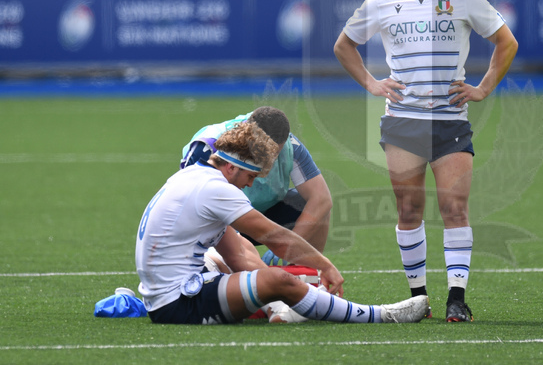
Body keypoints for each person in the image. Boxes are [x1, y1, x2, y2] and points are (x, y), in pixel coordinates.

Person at [333, 0, 518, 322]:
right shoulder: (381, 0)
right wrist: (371, 83)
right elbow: (344, 45)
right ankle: (419, 298)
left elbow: (507, 42)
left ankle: (457, 298)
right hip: (402, 122)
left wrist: (483, 88)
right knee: (409, 210)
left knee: (455, 209)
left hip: (452, 120)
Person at [136, 119, 429, 325]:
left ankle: (277, 307)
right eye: (250, 177)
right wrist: (323, 266)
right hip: (178, 303)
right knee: (279, 279)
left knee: (249, 255)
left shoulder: (196, 175)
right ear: (231, 166)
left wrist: (271, 299)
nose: (250, 186)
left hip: (170, 294)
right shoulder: (216, 189)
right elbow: (275, 236)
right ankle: (380, 314)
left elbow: (236, 253)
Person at [181, 106, 332, 264]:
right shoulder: (208, 146)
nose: (268, 161)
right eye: (264, 153)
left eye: (274, 154)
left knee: (317, 208)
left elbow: (321, 199)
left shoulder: (289, 144)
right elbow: (190, 206)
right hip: (216, 221)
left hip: (256, 214)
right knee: (237, 270)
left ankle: (306, 275)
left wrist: (290, 248)